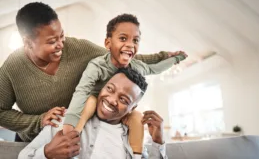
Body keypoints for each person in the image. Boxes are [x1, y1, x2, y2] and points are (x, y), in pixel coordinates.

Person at [0, 2, 181, 142]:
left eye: (62, 36)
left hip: (76, 138)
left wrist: (164, 56)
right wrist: (38, 121)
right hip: (33, 141)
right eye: (52, 41)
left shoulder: (80, 49)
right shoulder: (11, 69)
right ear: (28, 42)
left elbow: (120, 56)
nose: (61, 44)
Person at [63, 14, 186, 155]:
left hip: (117, 112)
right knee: (90, 101)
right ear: (108, 43)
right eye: (123, 38)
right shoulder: (97, 66)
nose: (130, 45)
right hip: (96, 102)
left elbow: (155, 68)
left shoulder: (136, 66)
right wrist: (69, 124)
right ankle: (71, 140)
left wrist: (176, 58)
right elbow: (82, 91)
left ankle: (136, 155)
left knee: (137, 117)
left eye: (135, 40)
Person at [19, 68, 168, 159]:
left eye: (123, 99)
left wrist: (159, 141)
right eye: (110, 89)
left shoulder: (133, 138)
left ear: (132, 109)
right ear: (102, 88)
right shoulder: (67, 121)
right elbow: (23, 157)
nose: (112, 100)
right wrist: (47, 153)